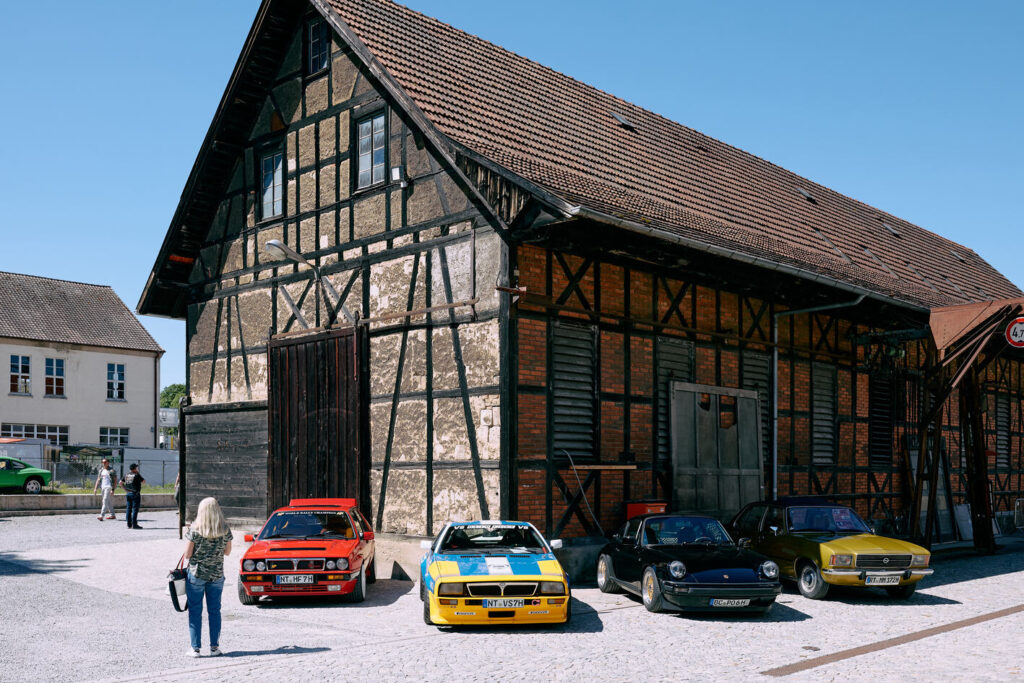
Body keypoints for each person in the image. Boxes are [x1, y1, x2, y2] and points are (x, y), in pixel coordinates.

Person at [183, 497, 233, 657]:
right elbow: (227, 552)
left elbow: (187, 554)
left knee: (195, 611)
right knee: (214, 611)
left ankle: (195, 648)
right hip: (217, 574)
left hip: (197, 574)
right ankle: (214, 648)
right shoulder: (225, 529)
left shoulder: (195, 529)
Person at [119, 463, 145, 529]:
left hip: (128, 493)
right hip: (135, 494)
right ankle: (134, 524)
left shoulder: (126, 475)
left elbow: (120, 483)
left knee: (128, 509)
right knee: (135, 510)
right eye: (136, 467)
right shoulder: (137, 475)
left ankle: (129, 524)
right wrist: (138, 474)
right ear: (134, 469)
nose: (137, 469)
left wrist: (125, 490)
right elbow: (144, 481)